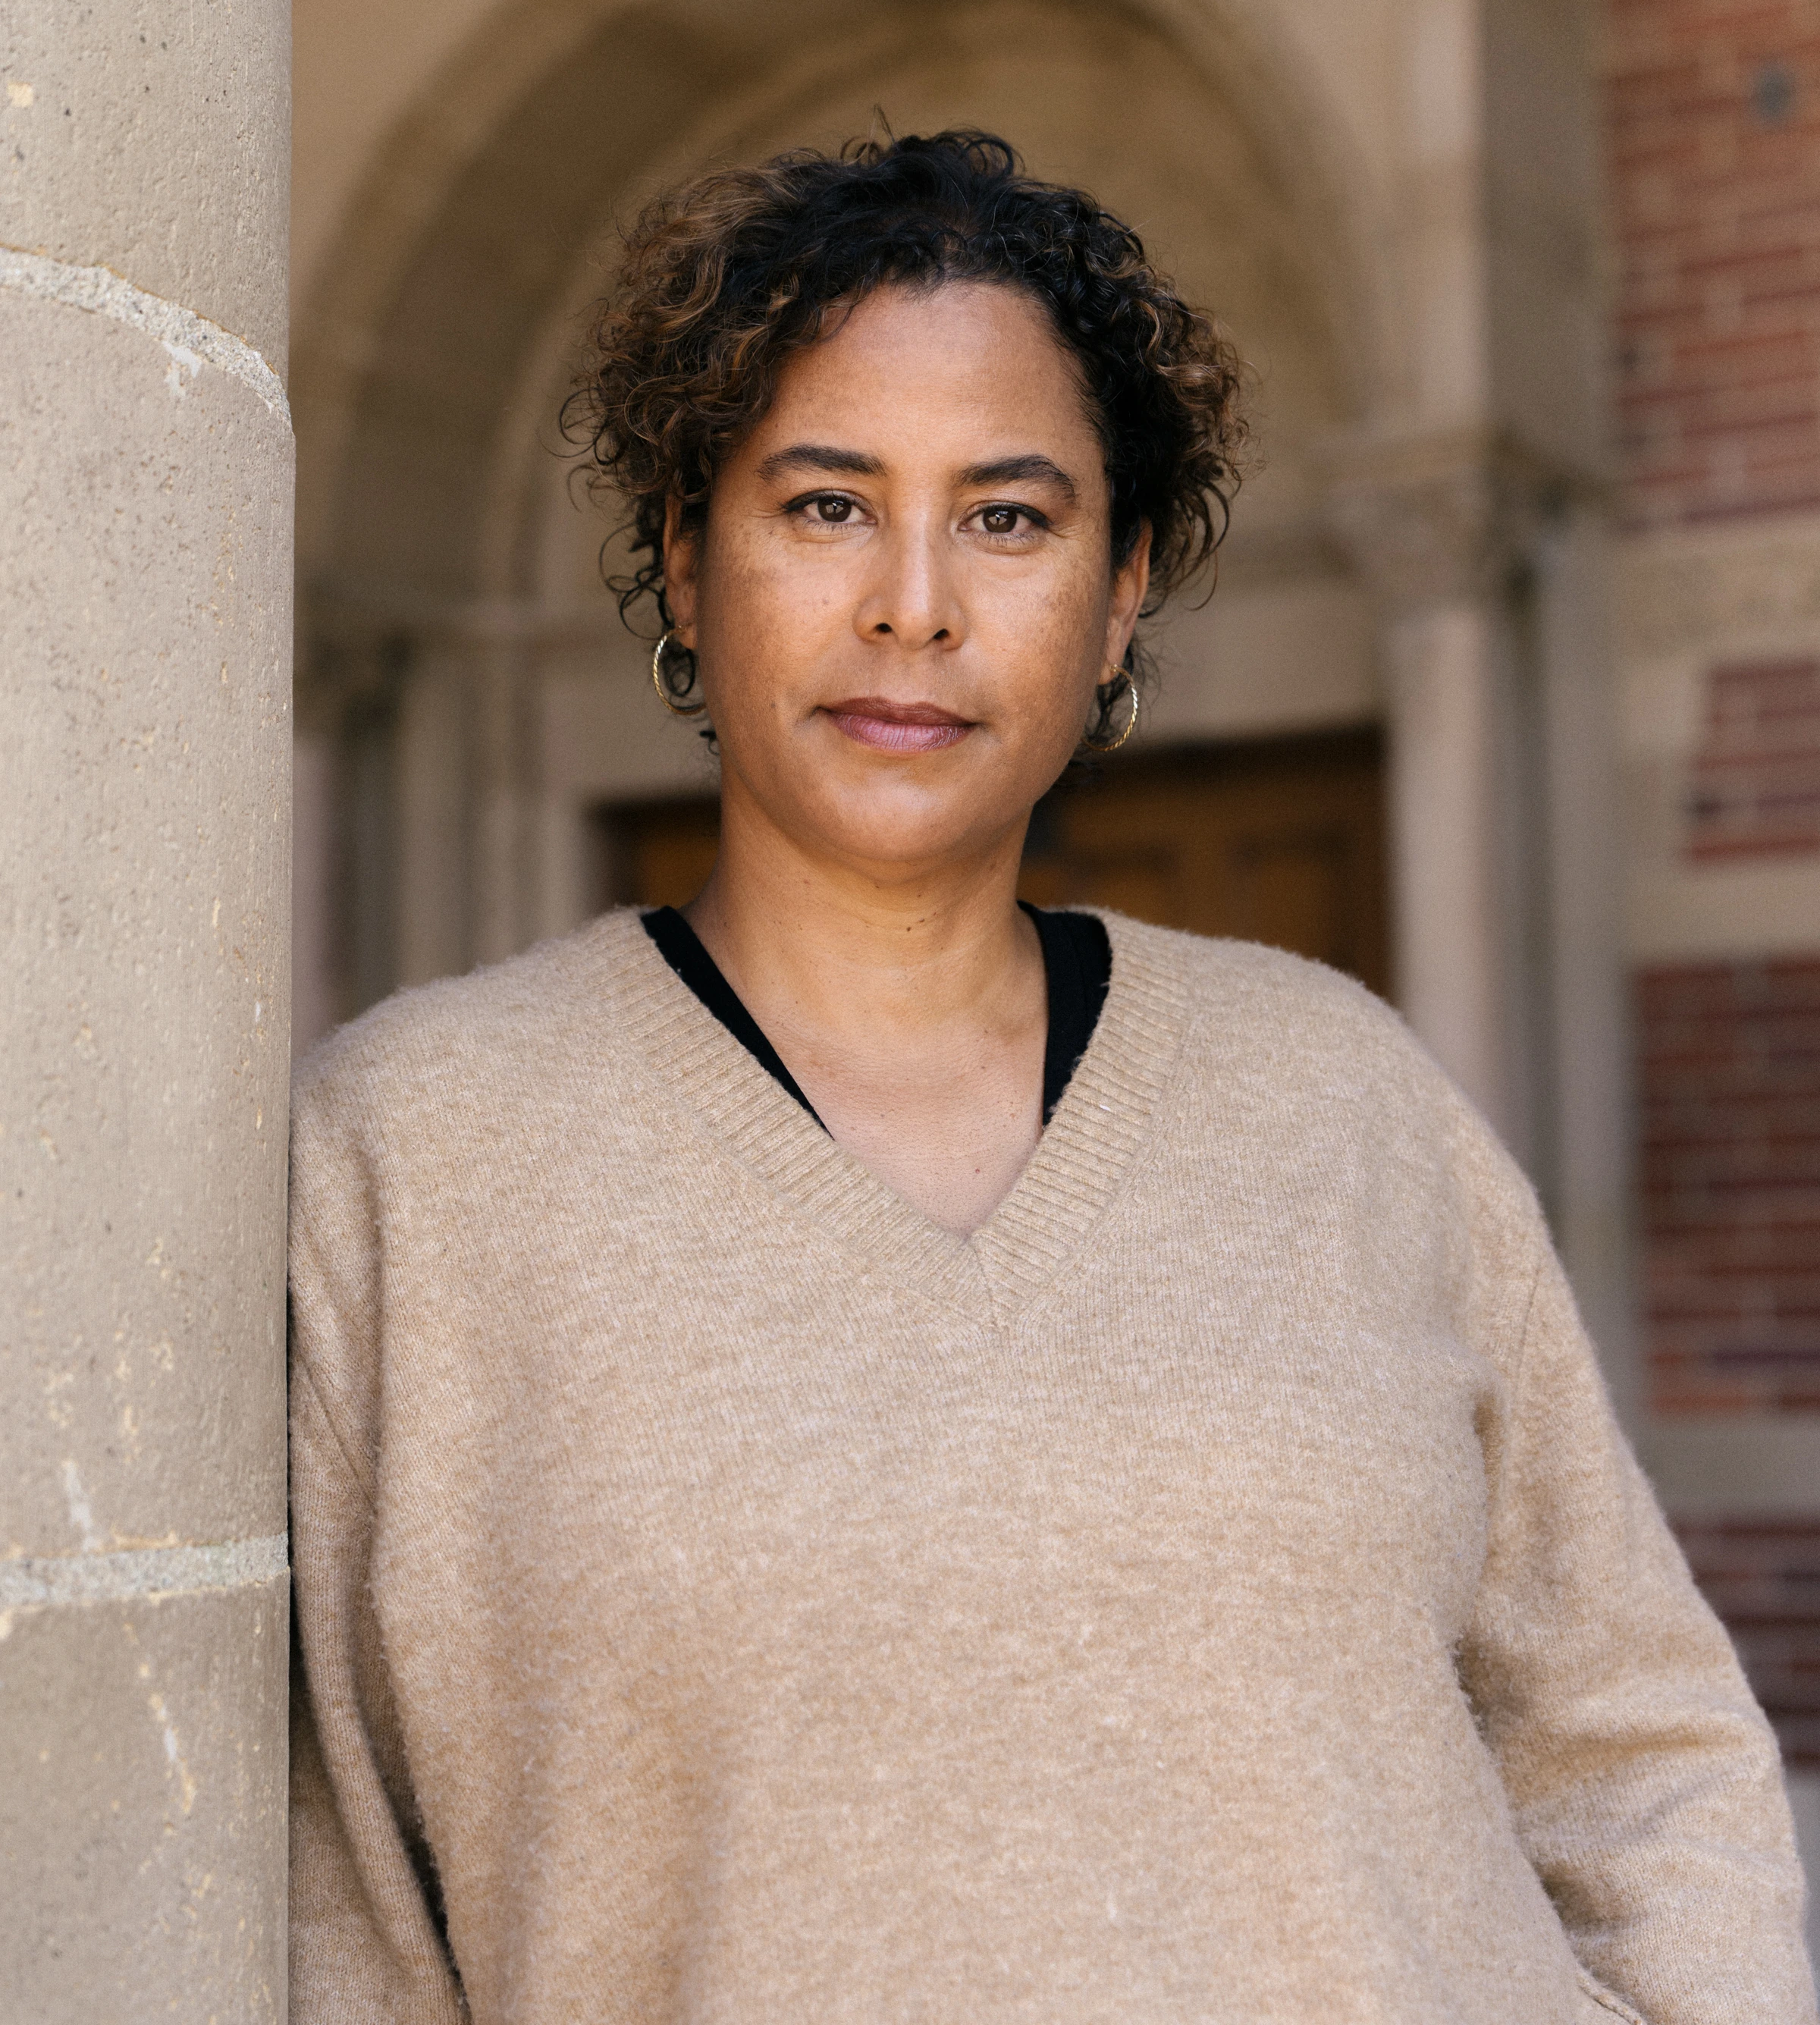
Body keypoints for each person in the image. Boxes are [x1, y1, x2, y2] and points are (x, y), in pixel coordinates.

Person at [288, 131, 1814, 2023]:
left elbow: (1640, 1742)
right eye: (825, 506)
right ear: (686, 562)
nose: (915, 603)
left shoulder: (1341, 1093)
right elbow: (330, 1911)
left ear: (1116, 601)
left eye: (1009, 519)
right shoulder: (414, 1155)